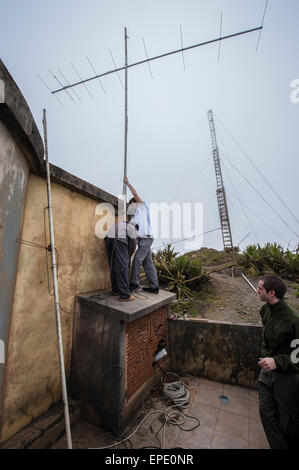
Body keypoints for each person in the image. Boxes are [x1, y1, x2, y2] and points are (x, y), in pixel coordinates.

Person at [257, 275, 299, 449]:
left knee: (288, 420)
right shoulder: (265, 310)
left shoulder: (293, 320)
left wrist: (277, 362)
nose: (257, 291)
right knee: (265, 411)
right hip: (267, 371)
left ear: (271, 292)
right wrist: (266, 356)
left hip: (286, 375)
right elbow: (267, 338)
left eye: (260, 289)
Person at [123, 177, 159, 294]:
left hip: (147, 238)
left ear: (135, 203)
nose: (131, 208)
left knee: (137, 260)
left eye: (131, 205)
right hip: (144, 239)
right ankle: (154, 286)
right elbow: (136, 234)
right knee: (147, 262)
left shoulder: (143, 207)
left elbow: (134, 193)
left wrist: (128, 184)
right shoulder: (135, 217)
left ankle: (134, 283)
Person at [105, 220, 138, 301]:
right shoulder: (132, 228)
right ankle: (125, 295)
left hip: (108, 238)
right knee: (122, 266)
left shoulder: (121, 224)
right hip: (119, 238)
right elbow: (133, 246)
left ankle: (115, 290)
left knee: (113, 265)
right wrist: (126, 258)